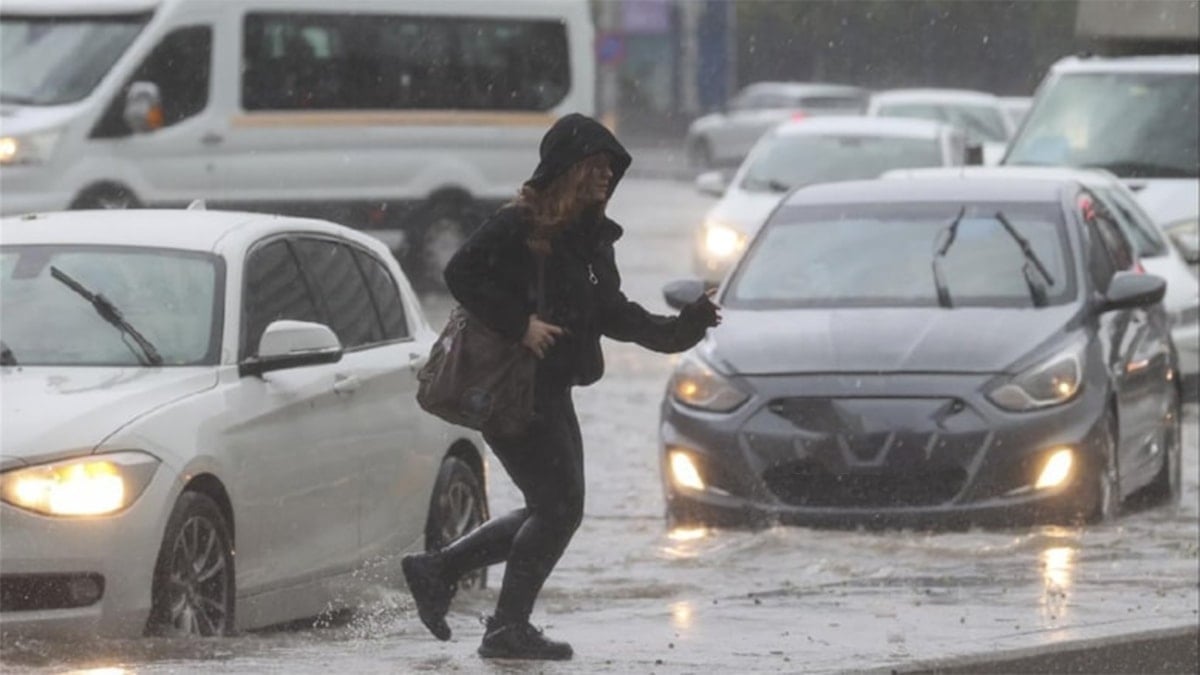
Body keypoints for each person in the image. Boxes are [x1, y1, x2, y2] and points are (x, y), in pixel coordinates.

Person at [401, 113, 721, 661]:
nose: (606, 176)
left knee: (554, 507)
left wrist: (683, 328)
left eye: (611, 168)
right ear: (568, 169)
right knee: (558, 508)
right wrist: (519, 324)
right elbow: (460, 273)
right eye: (596, 165)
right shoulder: (519, 223)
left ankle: (441, 571)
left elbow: (614, 313)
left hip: (551, 390)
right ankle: (503, 624)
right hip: (514, 390)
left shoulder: (592, 239)